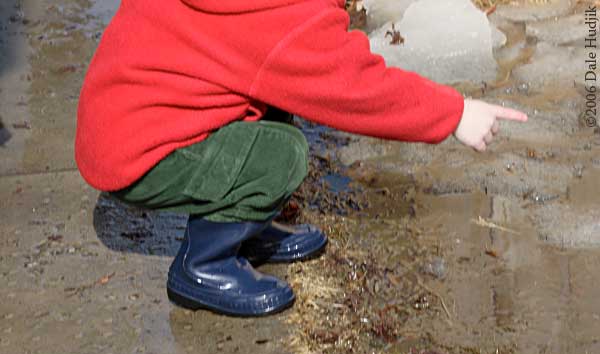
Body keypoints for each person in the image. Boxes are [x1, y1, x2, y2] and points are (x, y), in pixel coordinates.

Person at [75, 0, 527, 317]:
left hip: (124, 121)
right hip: (138, 154)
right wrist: (454, 114)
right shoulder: (283, 15)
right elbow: (354, 88)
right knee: (280, 156)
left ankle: (244, 227)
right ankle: (203, 267)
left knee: (273, 99)